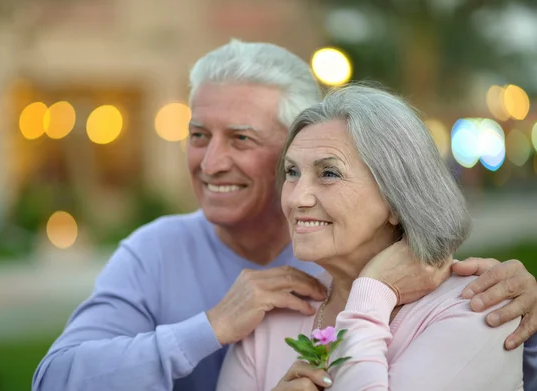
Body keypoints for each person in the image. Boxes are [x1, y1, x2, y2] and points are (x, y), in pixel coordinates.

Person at [32, 40, 537, 391]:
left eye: (241, 139)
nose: (209, 164)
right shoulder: (157, 253)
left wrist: (529, 327)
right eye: (198, 135)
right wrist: (212, 326)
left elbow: (490, 353)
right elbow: (54, 380)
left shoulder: (402, 270)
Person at [216, 84, 525, 390]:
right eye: (292, 172)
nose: (296, 198)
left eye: (329, 173)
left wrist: (372, 291)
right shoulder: (272, 316)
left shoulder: (476, 309)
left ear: (396, 198)